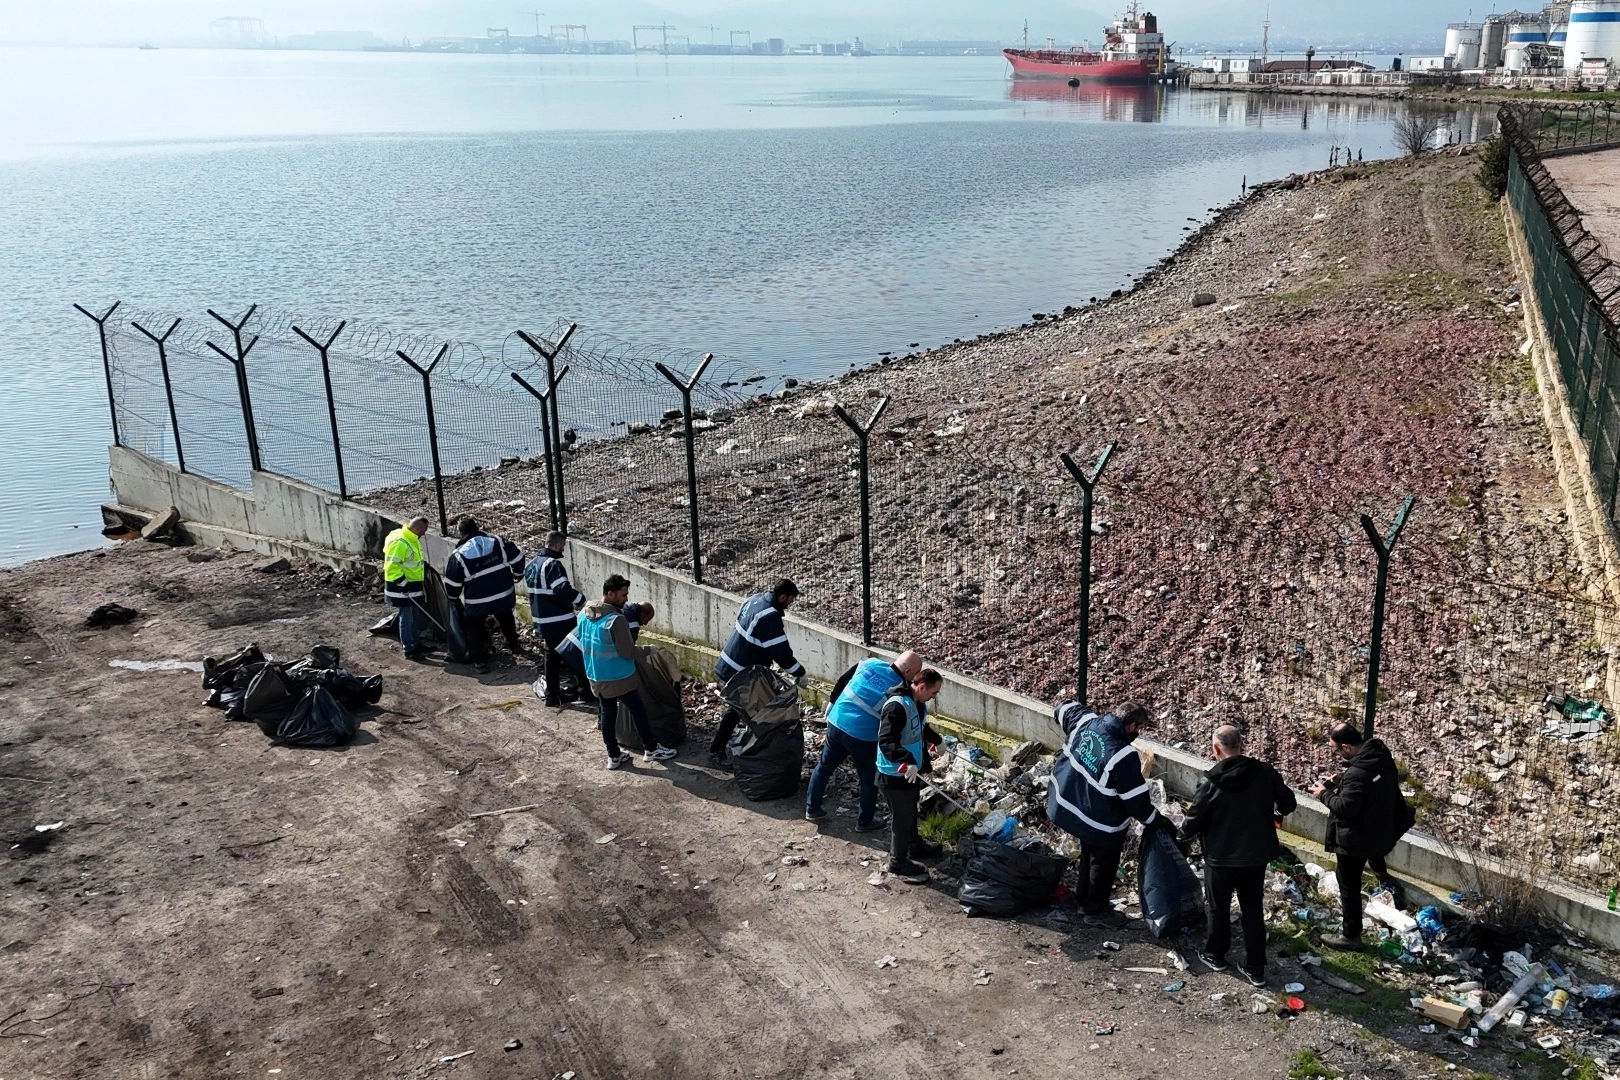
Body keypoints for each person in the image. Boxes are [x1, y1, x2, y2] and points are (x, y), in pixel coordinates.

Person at [1181, 724, 1297, 989]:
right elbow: (1289, 803)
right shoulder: (1265, 773)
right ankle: (1255, 968)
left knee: (1218, 907)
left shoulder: (1210, 782)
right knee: (1252, 910)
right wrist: (1273, 813)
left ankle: (1215, 955)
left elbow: (1193, 821)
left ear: (1215, 748)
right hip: (1256, 856)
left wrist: (1180, 836)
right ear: (1241, 745)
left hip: (1220, 857)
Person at [1047, 700, 1158, 928]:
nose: (1138, 733)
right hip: (1098, 821)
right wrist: (1155, 821)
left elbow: (1064, 708)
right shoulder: (1123, 754)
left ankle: (1083, 899)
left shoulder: (1086, 722)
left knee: (1088, 851)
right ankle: (1095, 911)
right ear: (1131, 726)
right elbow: (1136, 801)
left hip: (1065, 804)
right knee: (1103, 861)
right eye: (1139, 729)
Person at [1310, 723, 1413, 950]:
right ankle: (1383, 876)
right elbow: (1367, 791)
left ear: (1346, 747)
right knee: (1368, 864)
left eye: (1336, 749)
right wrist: (1344, 783)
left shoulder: (1357, 774)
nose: (1336, 754)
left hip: (1355, 838)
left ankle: (1351, 936)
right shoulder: (1380, 757)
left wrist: (1323, 793)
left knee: (1348, 885)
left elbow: (1345, 808)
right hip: (1379, 830)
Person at [805, 650, 923, 830]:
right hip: (863, 735)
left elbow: (843, 680)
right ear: (908, 672)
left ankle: (812, 809)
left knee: (824, 766)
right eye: (915, 674)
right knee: (868, 779)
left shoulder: (871, 663)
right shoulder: (900, 690)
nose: (915, 679)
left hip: (837, 721)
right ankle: (864, 822)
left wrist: (832, 702)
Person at [578, 574, 678, 769]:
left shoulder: (583, 614)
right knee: (638, 710)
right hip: (619, 676)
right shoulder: (616, 620)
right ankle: (651, 749)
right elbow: (628, 652)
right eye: (623, 595)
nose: (626, 599)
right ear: (610, 594)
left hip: (595, 674)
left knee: (607, 713)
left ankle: (613, 756)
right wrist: (649, 649)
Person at [709, 579, 806, 766]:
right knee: (743, 711)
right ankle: (724, 751)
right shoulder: (769, 616)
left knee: (742, 709)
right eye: (791, 599)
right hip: (741, 671)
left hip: (731, 663)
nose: (791, 603)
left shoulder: (755, 599)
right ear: (782, 596)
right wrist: (799, 672)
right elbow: (780, 651)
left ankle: (749, 749)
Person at [876, 668, 946, 885]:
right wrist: (906, 760)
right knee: (902, 819)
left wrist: (937, 741)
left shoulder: (917, 703)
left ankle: (914, 845)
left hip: (909, 771)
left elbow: (919, 729)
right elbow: (886, 741)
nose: (934, 697)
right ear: (922, 687)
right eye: (934, 692)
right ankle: (898, 862)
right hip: (894, 774)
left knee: (910, 811)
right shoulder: (896, 707)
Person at [442, 516, 526, 674]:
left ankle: (480, 662)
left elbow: (452, 586)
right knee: (506, 616)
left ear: (460, 533)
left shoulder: (458, 555)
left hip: (477, 601)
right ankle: (514, 646)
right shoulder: (498, 542)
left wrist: (453, 599)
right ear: (477, 527)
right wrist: (517, 575)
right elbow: (519, 558)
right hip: (504, 595)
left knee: (473, 626)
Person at [526, 531, 584, 706]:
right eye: (562, 547)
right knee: (575, 651)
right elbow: (562, 590)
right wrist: (581, 600)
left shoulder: (532, 564)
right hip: (559, 618)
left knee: (551, 656)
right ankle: (585, 691)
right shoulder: (552, 564)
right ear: (558, 545)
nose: (562, 550)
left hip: (542, 619)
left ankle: (552, 695)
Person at [555, 601, 653, 702]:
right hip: (582, 650)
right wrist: (647, 651)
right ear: (642, 614)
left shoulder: (619, 609)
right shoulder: (631, 624)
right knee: (597, 685)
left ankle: (584, 694)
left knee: (588, 681)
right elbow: (627, 650)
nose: (645, 623)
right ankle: (586, 695)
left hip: (570, 643)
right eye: (647, 619)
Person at [382, 515, 431, 659]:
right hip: (403, 587)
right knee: (407, 618)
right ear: (417, 528)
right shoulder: (401, 542)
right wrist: (403, 585)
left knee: (413, 616)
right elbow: (391, 567)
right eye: (424, 531)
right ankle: (409, 649)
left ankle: (415, 642)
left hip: (412, 585)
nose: (424, 534)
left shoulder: (408, 537)